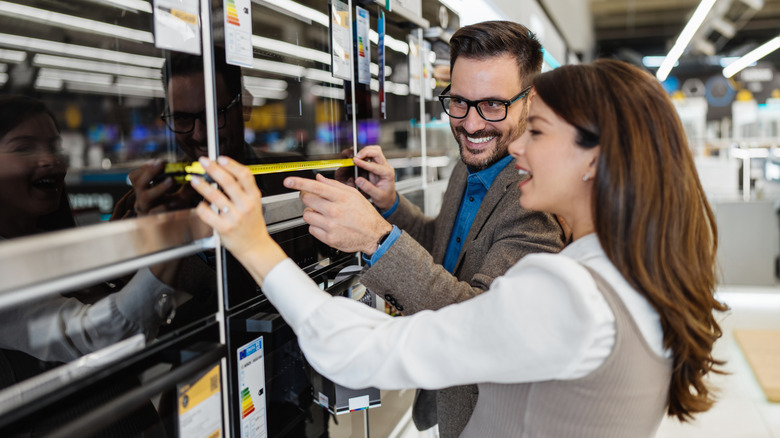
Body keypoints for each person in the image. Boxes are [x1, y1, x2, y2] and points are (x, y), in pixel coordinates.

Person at [189, 58, 727, 437]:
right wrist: (391, 212)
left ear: (594, 157)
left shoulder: (569, 293)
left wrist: (254, 245)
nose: (515, 143)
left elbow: (360, 352)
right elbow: (460, 272)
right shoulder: (632, 270)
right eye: (460, 102)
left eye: (535, 131)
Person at [299, 20, 567, 436]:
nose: (472, 124)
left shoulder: (536, 197)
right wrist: (389, 205)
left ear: (529, 101)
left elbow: (478, 321)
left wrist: (375, 237)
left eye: (493, 105)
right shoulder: (474, 165)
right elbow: (446, 250)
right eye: (459, 102)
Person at [0, 94, 172, 436]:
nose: (50, 159)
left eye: (54, 145)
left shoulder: (46, 242)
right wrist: (167, 243)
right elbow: (100, 338)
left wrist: (124, 256)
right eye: (24, 148)